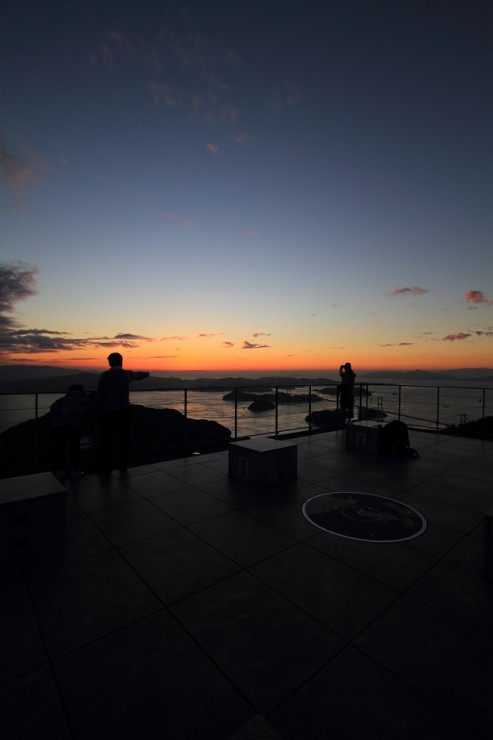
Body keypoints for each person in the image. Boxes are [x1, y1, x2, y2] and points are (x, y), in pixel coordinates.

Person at [96, 353, 149, 472]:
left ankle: (105, 466)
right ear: (121, 361)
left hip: (108, 411)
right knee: (124, 438)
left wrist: (99, 409)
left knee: (107, 439)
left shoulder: (104, 375)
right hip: (124, 410)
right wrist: (145, 373)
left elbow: (99, 394)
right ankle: (123, 465)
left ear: (110, 362)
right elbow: (144, 374)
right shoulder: (126, 374)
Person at [50, 384, 90, 478]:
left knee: (58, 449)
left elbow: (52, 408)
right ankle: (74, 471)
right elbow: (86, 409)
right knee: (74, 449)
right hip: (74, 426)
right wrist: (73, 411)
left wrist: (62, 412)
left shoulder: (61, 400)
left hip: (57, 426)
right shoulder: (85, 399)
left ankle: (59, 471)